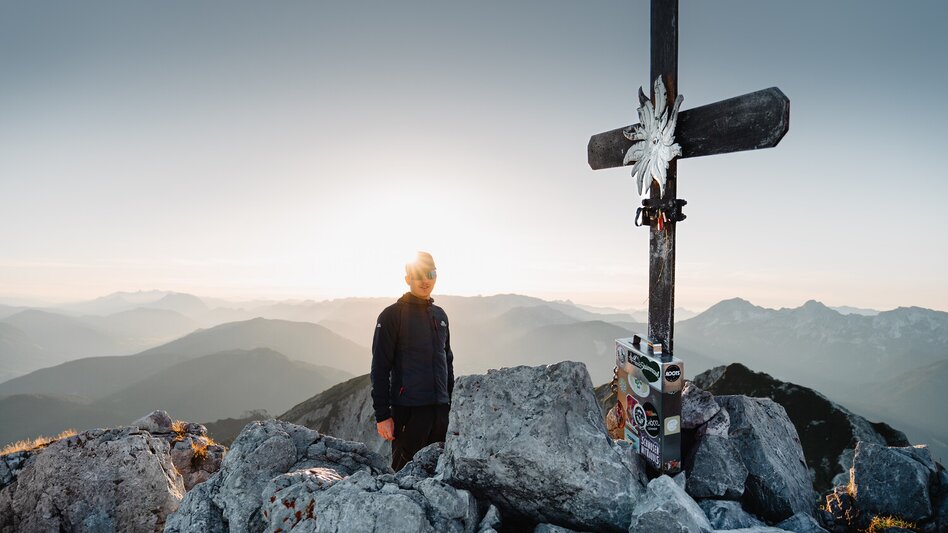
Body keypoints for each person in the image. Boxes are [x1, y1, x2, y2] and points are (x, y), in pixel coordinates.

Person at [371, 251, 455, 471]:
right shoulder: (391, 315)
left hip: (441, 412)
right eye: (418, 275)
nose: (425, 280)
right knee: (404, 476)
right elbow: (380, 367)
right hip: (409, 412)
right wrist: (383, 415)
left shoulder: (440, 315)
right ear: (408, 279)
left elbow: (447, 361)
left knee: (439, 475)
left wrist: (452, 405)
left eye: (430, 273)